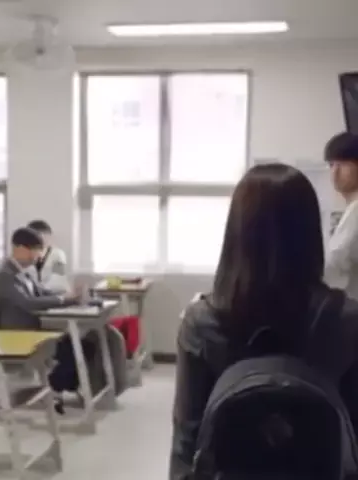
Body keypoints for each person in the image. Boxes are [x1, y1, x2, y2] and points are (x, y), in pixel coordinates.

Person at [169, 163, 358, 480]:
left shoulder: (202, 322)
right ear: (311, 234)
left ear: (236, 233)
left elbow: (186, 445)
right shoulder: (346, 320)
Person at [0, 227, 91, 412]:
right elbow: (28, 303)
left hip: (32, 329)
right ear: (20, 248)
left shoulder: (24, 271)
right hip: (15, 337)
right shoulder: (4, 275)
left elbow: (41, 293)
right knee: (72, 347)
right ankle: (55, 388)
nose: (37, 256)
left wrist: (68, 297)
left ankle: (57, 388)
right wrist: (64, 300)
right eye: (35, 251)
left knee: (80, 342)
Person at [324, 132, 358, 300]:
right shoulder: (351, 210)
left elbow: (335, 263)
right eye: (331, 164)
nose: (335, 172)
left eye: (343, 164)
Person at [27, 220, 70, 294]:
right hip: (31, 294)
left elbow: (58, 277)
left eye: (44, 235)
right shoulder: (25, 254)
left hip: (54, 292)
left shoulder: (58, 254)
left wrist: (40, 289)